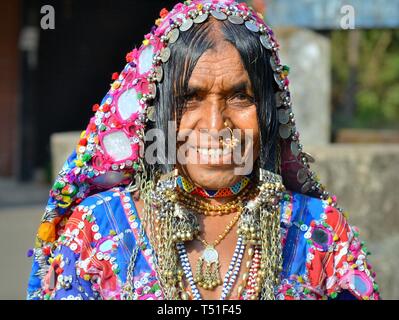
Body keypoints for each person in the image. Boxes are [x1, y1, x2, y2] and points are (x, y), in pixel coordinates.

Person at [26, 0, 380, 300]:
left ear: (269, 113)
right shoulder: (95, 231)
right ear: (157, 110)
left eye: (240, 97)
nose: (214, 125)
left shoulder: (321, 231)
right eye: (189, 98)